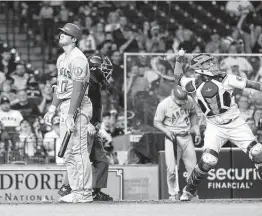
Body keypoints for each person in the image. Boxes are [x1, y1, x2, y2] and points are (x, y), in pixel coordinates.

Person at [173, 50, 262, 201]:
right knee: (208, 159)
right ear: (200, 68)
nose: (213, 64)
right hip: (214, 127)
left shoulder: (227, 78)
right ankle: (189, 190)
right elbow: (178, 78)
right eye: (208, 63)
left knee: (257, 151)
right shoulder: (194, 83)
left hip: (236, 124)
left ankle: (259, 166)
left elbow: (252, 84)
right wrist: (179, 60)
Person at [44, 23, 93, 203]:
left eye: (66, 33)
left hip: (78, 105)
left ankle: (85, 193)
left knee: (79, 151)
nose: (61, 35)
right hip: (66, 105)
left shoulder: (78, 59)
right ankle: (76, 190)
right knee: (68, 153)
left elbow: (79, 90)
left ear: (74, 38)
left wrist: (72, 114)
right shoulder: (61, 58)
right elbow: (60, 87)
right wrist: (52, 108)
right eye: (61, 33)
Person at [57, 55, 114, 201]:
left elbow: (97, 105)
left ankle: (95, 191)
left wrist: (98, 121)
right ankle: (67, 187)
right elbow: (80, 103)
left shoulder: (97, 84)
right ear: (94, 68)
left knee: (102, 160)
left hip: (93, 126)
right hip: (85, 124)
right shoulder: (86, 83)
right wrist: (87, 122)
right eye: (102, 68)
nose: (105, 71)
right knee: (79, 158)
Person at [153, 83, 201, 201]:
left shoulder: (189, 100)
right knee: (171, 169)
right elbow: (157, 122)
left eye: (184, 99)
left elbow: (193, 113)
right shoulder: (164, 105)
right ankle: (173, 194)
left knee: (192, 169)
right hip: (172, 138)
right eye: (180, 99)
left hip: (187, 136)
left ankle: (191, 193)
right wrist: (166, 131)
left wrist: (197, 130)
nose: (183, 101)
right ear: (173, 95)